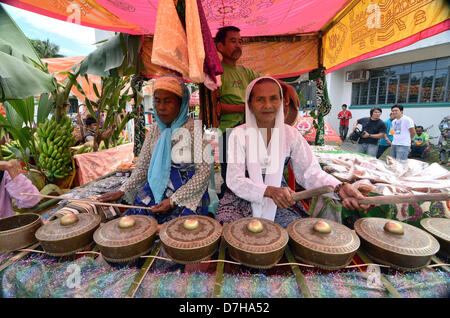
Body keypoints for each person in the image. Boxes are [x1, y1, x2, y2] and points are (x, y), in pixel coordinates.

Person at [215, 77, 368, 228]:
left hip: (281, 201)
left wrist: (339, 187)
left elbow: (310, 172)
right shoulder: (236, 134)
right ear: (249, 104)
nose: (267, 105)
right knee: (230, 235)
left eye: (274, 98)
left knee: (296, 235)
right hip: (240, 198)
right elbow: (235, 180)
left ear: (282, 102)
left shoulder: (291, 135)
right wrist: (269, 191)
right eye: (260, 99)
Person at [97, 76, 212, 227]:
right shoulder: (154, 130)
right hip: (156, 190)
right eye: (157, 101)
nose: (161, 107)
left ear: (181, 104)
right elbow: (143, 167)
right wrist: (123, 190)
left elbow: (204, 172)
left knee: (180, 230)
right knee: (137, 225)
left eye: (168, 101)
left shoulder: (194, 130)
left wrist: (173, 200)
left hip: (187, 194)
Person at [214, 26, 299, 198]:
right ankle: (229, 213)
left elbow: (267, 83)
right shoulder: (216, 73)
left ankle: (259, 213)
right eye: (232, 41)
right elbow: (216, 107)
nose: (238, 45)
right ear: (220, 46)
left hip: (254, 131)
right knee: (231, 182)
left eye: (240, 41)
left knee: (257, 178)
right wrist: (247, 108)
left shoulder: (246, 72)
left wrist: (287, 86)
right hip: (229, 133)